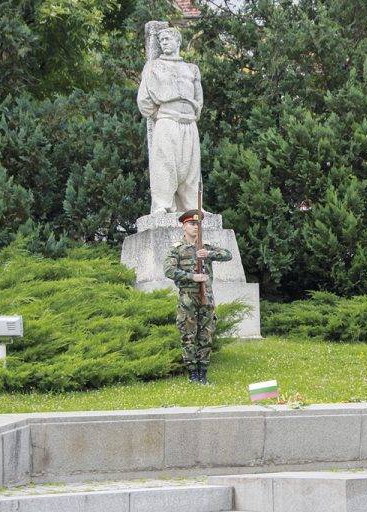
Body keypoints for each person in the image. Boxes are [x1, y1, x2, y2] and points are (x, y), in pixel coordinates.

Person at [137, 27, 204, 214]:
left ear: (178, 42)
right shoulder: (153, 66)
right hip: (167, 120)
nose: (164, 43)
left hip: (189, 123)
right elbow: (144, 99)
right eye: (161, 40)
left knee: (191, 168)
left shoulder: (191, 69)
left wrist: (191, 112)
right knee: (165, 164)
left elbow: (199, 99)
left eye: (167, 39)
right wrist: (162, 114)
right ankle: (163, 205)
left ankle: (192, 207)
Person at [164, 210, 232, 384]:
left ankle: (203, 373)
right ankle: (193, 374)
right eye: (192, 224)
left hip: (206, 298)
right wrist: (191, 277)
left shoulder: (206, 247)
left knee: (206, 335)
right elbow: (169, 270)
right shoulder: (177, 249)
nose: (196, 227)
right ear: (184, 226)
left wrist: (208, 254)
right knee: (188, 336)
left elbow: (228, 255)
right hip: (187, 299)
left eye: (198, 224)